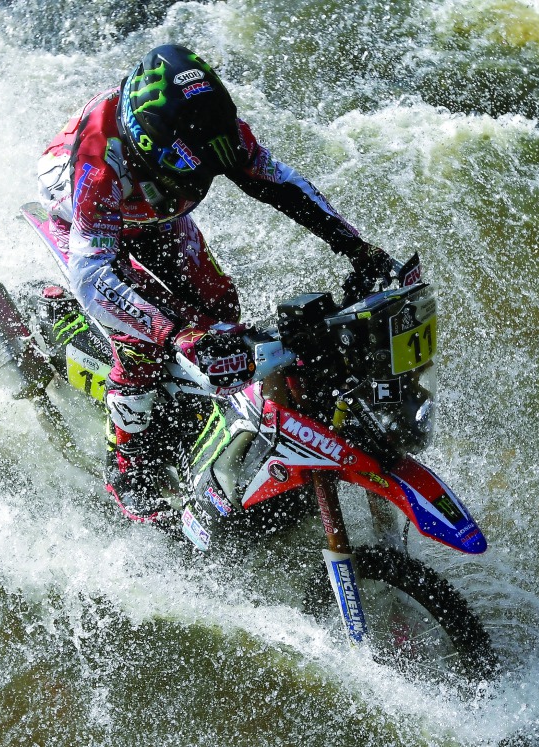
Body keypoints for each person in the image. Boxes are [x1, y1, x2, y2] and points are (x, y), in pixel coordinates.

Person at [36, 43, 393, 524]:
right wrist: (175, 333)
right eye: (184, 175)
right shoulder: (97, 168)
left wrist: (359, 249)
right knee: (144, 342)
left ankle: (210, 424)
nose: (199, 181)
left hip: (157, 215)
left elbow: (280, 184)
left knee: (220, 311)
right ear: (147, 146)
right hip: (87, 226)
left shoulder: (217, 132)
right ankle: (128, 465)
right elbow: (93, 273)